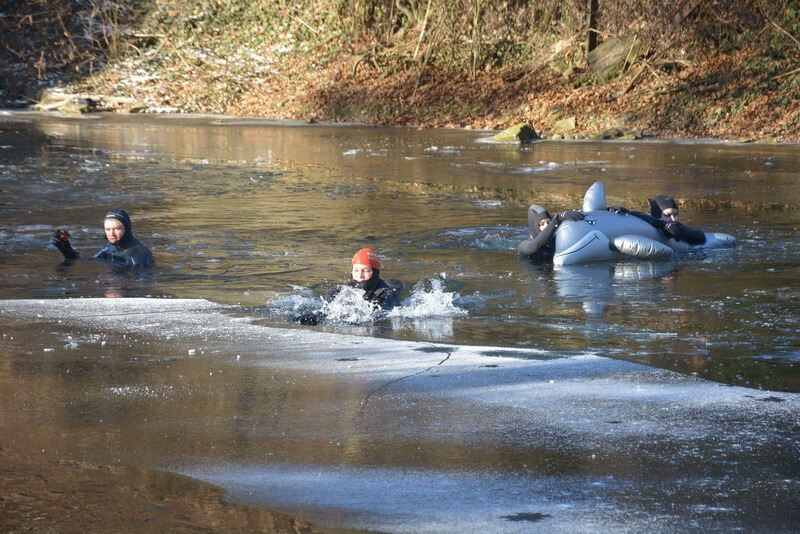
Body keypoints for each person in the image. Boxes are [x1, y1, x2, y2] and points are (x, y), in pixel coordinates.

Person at [294, 247, 399, 325]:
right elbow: (328, 308)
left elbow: (383, 316)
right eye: (356, 270)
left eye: (366, 270)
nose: (360, 274)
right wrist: (316, 316)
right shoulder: (346, 290)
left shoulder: (386, 294)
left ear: (375, 272)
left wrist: (360, 322)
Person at [50, 209, 154, 268]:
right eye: (108, 229)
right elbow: (88, 262)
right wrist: (67, 251)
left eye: (117, 229)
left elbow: (141, 283)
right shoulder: (110, 248)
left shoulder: (139, 254)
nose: (111, 233)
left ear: (127, 229)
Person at [609, 195, 706, 245]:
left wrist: (677, 231)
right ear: (657, 215)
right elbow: (639, 215)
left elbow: (701, 237)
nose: (673, 219)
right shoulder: (649, 219)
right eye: (667, 215)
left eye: (675, 214)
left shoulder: (677, 227)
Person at [517, 204, 584, 260]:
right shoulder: (523, 246)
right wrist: (557, 220)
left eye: (548, 222)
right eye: (542, 224)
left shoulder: (556, 240)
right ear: (534, 227)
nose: (546, 226)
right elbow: (533, 247)